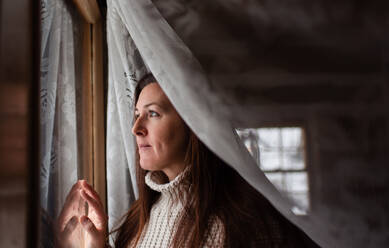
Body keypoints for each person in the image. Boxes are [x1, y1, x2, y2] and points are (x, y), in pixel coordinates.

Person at [57, 74, 319, 247]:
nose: (136, 128)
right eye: (137, 114)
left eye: (153, 114)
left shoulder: (244, 223)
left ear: (192, 125)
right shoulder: (139, 220)